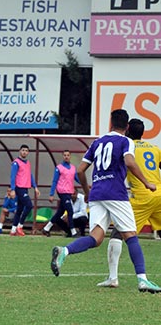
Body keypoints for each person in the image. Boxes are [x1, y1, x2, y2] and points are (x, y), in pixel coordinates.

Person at [50, 109, 161, 293]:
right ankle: (143, 280)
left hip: (97, 193)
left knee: (96, 237)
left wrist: (86, 191)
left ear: (111, 123)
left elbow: (80, 170)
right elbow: (130, 162)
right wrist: (147, 182)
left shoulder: (97, 142)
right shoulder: (125, 141)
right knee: (131, 235)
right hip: (116, 193)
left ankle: (65, 251)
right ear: (126, 127)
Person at [98, 118, 161, 289]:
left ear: (127, 131)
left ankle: (113, 278)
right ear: (143, 132)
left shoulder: (126, 147)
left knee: (119, 233)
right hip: (159, 193)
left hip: (142, 197)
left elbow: (123, 168)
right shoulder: (154, 148)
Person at [42, 150, 81, 237]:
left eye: (68, 155)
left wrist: (84, 184)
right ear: (62, 156)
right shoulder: (59, 168)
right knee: (70, 211)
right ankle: (73, 232)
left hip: (69, 191)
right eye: (65, 155)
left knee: (60, 212)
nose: (66, 157)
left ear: (70, 156)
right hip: (62, 191)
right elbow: (55, 181)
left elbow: (77, 178)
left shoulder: (73, 167)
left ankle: (46, 228)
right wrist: (51, 194)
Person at [9, 144, 40, 236]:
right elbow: (13, 176)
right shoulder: (16, 162)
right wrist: (13, 189)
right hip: (19, 188)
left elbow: (30, 175)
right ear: (19, 151)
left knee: (20, 209)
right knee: (29, 205)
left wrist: (35, 187)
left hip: (25, 187)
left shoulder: (27, 163)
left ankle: (13, 230)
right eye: (23, 150)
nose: (24, 152)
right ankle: (20, 226)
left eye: (26, 150)